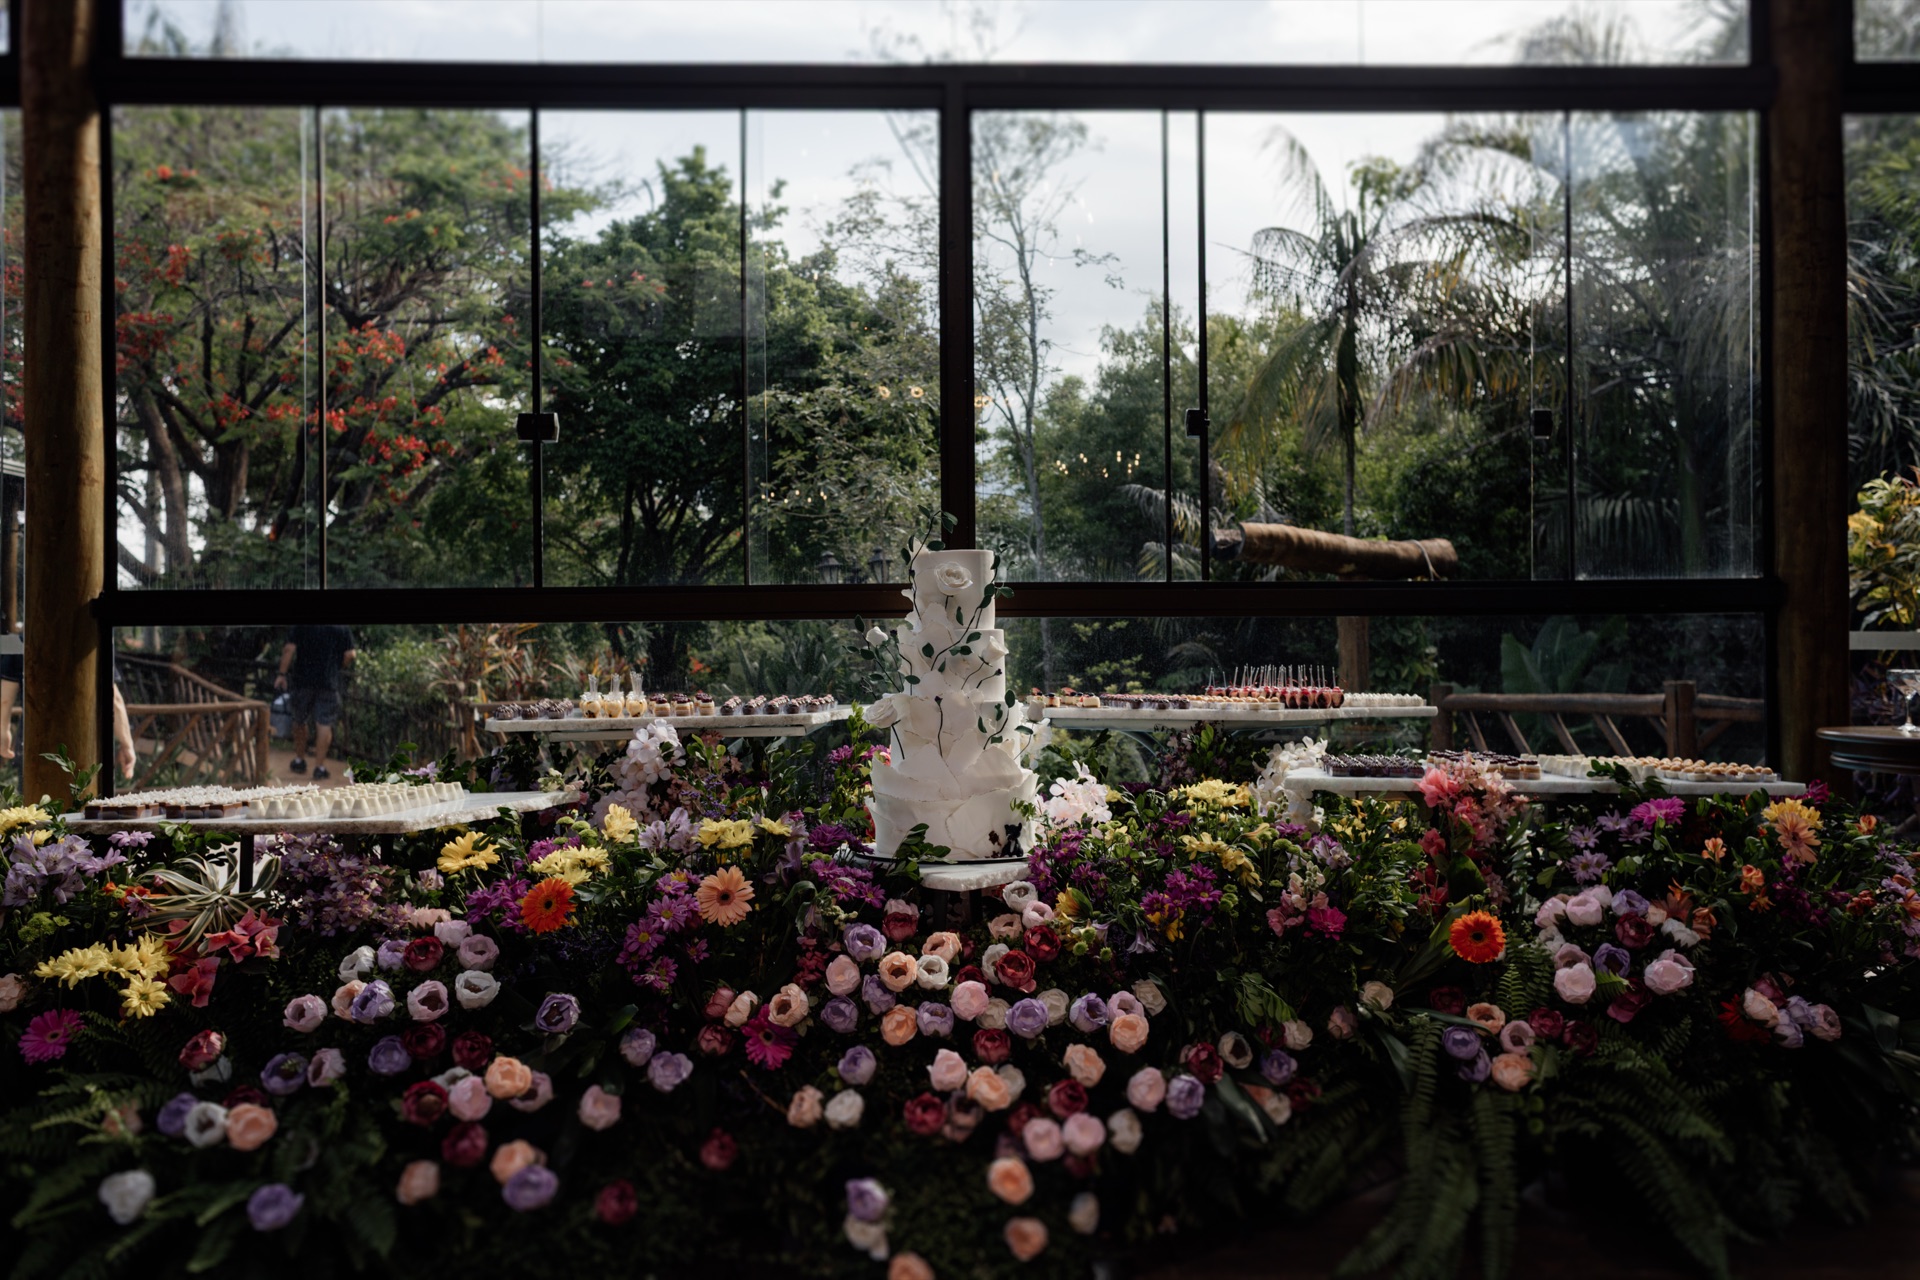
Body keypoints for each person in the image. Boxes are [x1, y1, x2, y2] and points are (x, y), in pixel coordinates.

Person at [0, 649, 139, 779]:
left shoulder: (24, 640)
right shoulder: (90, 639)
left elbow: (5, 699)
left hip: (34, 744)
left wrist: (3, 732)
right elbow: (113, 698)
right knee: (83, 799)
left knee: (34, 802)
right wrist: (127, 744)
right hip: (82, 744)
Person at [274, 625, 356, 779]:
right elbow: (350, 654)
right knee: (324, 724)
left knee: (299, 719)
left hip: (302, 681)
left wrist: (281, 674)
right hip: (328, 682)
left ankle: (299, 760)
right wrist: (336, 666)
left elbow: (289, 649)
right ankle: (319, 767)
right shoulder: (341, 627)